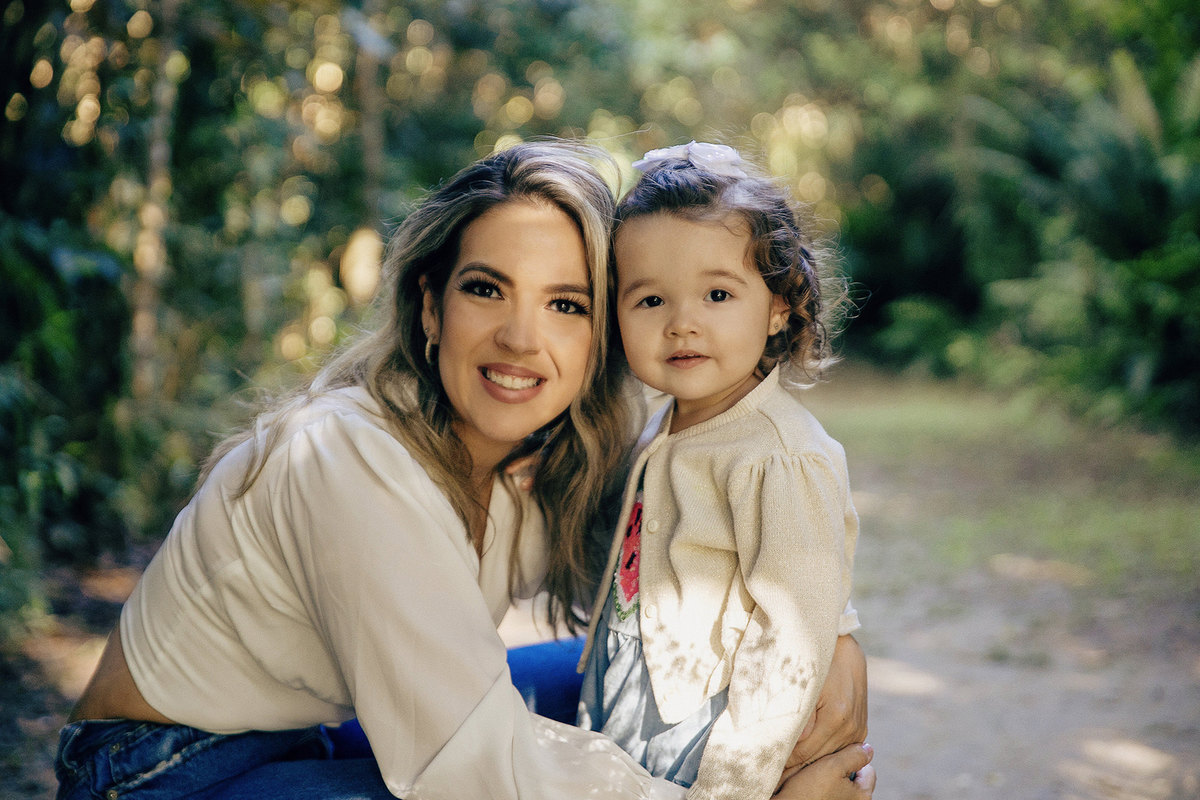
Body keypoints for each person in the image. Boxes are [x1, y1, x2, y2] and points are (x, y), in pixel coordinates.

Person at [56, 141, 873, 799]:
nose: (522, 339)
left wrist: (827, 633)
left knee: (629, 674)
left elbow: (709, 568)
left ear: (600, 335)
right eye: (487, 289)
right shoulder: (345, 456)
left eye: (566, 303)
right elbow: (466, 763)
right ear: (429, 306)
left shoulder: (544, 464)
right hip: (160, 773)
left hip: (301, 741)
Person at [576, 141, 871, 800]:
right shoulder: (666, 423)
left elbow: (788, 642)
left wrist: (732, 788)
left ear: (780, 306)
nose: (683, 323)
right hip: (631, 686)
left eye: (717, 293)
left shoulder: (780, 456)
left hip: (710, 723)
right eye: (650, 301)